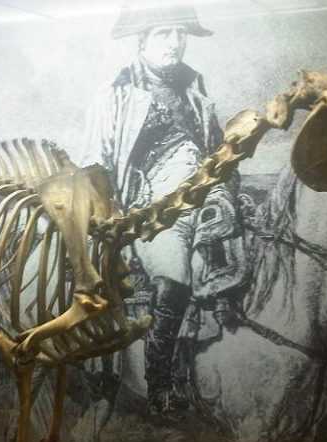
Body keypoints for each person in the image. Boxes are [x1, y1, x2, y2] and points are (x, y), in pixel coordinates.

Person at [81, 4, 236, 417]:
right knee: (176, 275)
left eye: (180, 34)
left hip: (208, 203)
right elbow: (95, 164)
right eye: (164, 34)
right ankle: (160, 383)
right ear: (143, 40)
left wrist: (226, 192)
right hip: (151, 215)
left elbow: (219, 152)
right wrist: (112, 214)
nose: (175, 42)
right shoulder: (116, 93)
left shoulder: (197, 89)